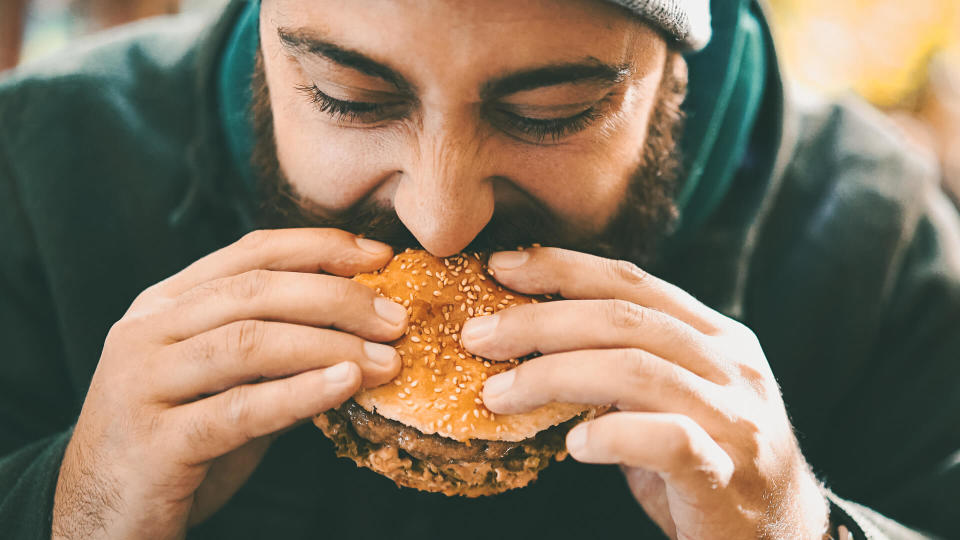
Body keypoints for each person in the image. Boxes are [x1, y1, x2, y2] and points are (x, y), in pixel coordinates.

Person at [0, 0, 956, 538]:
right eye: (349, 95)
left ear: (673, 71)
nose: (442, 221)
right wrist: (67, 506)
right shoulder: (39, 160)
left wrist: (808, 529)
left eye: (552, 112)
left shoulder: (880, 239)